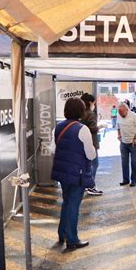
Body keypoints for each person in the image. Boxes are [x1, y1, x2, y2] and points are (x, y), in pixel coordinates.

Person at [50, 97, 96, 250]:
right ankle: (72, 239)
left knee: (67, 201)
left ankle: (62, 233)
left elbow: (52, 150)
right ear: (81, 111)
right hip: (78, 173)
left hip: (63, 172)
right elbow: (90, 155)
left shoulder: (57, 127)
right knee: (73, 205)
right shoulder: (82, 129)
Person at [80, 93, 105, 196]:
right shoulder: (90, 113)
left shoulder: (80, 113)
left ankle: (86, 184)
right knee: (95, 164)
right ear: (90, 103)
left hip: (81, 142)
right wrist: (101, 126)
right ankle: (91, 186)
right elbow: (92, 128)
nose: (94, 105)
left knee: (86, 165)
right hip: (91, 143)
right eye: (93, 103)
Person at [117, 103, 136, 187]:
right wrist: (119, 134)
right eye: (119, 113)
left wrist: (135, 138)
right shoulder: (119, 115)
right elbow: (118, 125)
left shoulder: (133, 116)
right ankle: (125, 180)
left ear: (127, 110)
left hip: (133, 143)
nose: (121, 115)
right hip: (123, 142)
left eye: (122, 113)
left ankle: (134, 181)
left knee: (134, 162)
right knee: (124, 162)